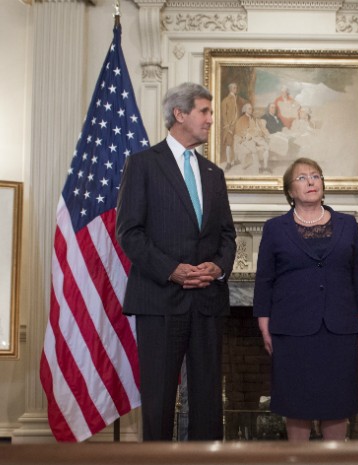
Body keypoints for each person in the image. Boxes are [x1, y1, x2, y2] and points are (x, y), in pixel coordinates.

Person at [116, 82, 237, 441]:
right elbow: (129, 232)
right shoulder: (142, 164)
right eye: (205, 111)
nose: (211, 120)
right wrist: (172, 269)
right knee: (159, 400)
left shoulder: (213, 173)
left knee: (208, 400)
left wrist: (218, 267)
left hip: (207, 302)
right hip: (159, 299)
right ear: (180, 114)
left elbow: (227, 236)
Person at [253, 157, 358, 441]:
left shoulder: (347, 224)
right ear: (290, 191)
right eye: (302, 178)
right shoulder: (274, 228)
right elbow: (264, 279)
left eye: (315, 176)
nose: (311, 182)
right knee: (297, 404)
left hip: (339, 329)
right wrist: (263, 323)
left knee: (337, 404)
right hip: (292, 331)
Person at [234, 102, 271, 173]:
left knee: (267, 147)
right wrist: (246, 135)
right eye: (249, 108)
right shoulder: (241, 120)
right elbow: (238, 131)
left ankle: (265, 167)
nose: (251, 110)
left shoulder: (254, 118)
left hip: (257, 137)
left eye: (251, 108)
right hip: (248, 139)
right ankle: (258, 167)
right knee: (254, 149)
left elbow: (262, 128)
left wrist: (266, 134)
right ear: (245, 110)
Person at [221, 82, 245, 170]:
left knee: (237, 142)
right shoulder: (225, 100)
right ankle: (228, 162)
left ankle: (236, 159)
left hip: (237, 125)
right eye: (234, 88)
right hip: (229, 126)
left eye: (236, 87)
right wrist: (227, 127)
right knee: (228, 144)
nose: (236, 89)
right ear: (231, 89)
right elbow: (224, 115)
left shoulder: (238, 100)